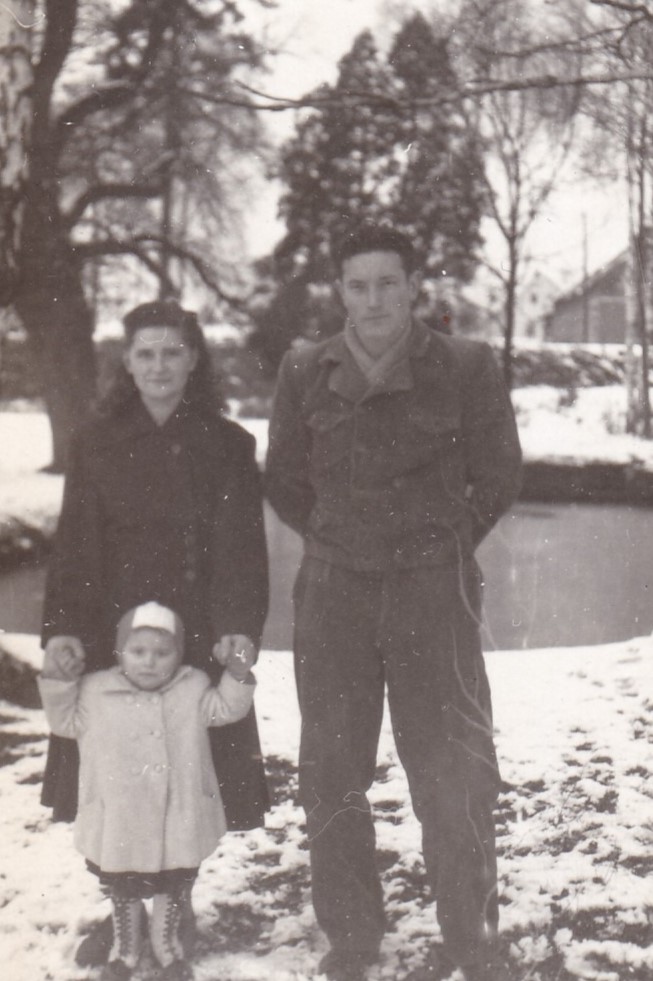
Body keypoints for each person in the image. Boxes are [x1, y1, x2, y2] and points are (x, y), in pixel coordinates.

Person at [265, 222, 522, 981]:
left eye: (387, 283)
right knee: (331, 767)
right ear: (340, 292)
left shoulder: (466, 365)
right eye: (357, 285)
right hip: (335, 592)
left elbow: (498, 474)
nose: (373, 299)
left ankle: (469, 933)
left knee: (453, 768)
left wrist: (439, 543)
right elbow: (284, 481)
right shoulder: (304, 367)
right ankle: (351, 935)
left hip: (432, 592)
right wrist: (342, 541)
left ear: (413, 287)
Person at [40, 299, 269, 962]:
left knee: (182, 776)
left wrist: (236, 627)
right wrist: (63, 630)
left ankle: (175, 903)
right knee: (115, 777)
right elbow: (74, 544)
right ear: (128, 361)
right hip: (114, 636)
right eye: (146, 353)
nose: (159, 365)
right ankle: (125, 911)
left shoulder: (228, 444)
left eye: (172, 352)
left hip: (196, 634)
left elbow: (241, 549)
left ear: (193, 359)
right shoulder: (95, 441)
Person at [38, 600, 257, 981]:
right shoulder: (94, 691)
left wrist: (238, 670)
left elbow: (226, 708)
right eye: (137, 651)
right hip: (118, 822)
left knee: (172, 886)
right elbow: (64, 722)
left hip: (177, 817)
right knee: (123, 889)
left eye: (162, 653)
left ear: (179, 654)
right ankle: (125, 950)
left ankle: (167, 948)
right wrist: (58, 680)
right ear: (119, 651)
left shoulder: (192, 688)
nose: (149, 662)